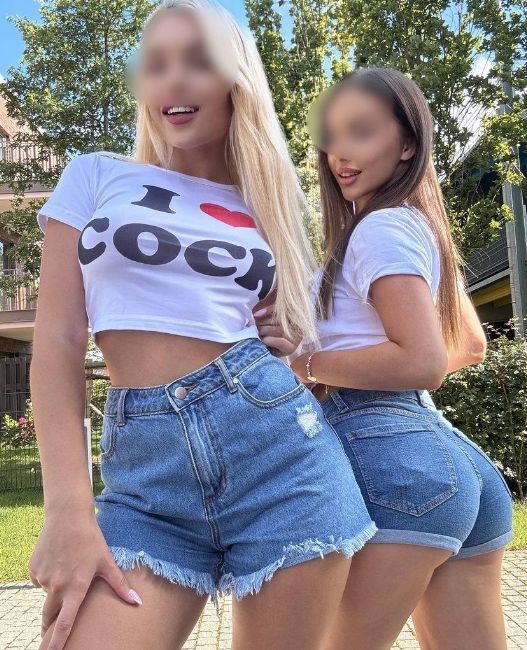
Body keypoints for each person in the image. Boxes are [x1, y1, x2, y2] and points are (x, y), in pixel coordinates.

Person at [28, 2, 376, 649]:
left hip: (283, 464)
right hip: (145, 486)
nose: (174, 79)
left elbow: (298, 344)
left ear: (235, 80)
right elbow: (58, 341)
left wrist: (293, 349)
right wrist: (67, 511)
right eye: (156, 64)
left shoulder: (263, 205)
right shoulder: (96, 176)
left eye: (197, 60)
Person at [283, 67, 512, 649]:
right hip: (446, 457)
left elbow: (422, 361)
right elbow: (469, 345)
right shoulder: (415, 228)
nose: (340, 153)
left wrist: (308, 366)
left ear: (408, 143)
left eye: (361, 132)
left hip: (392, 461)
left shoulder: (379, 230)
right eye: (333, 135)